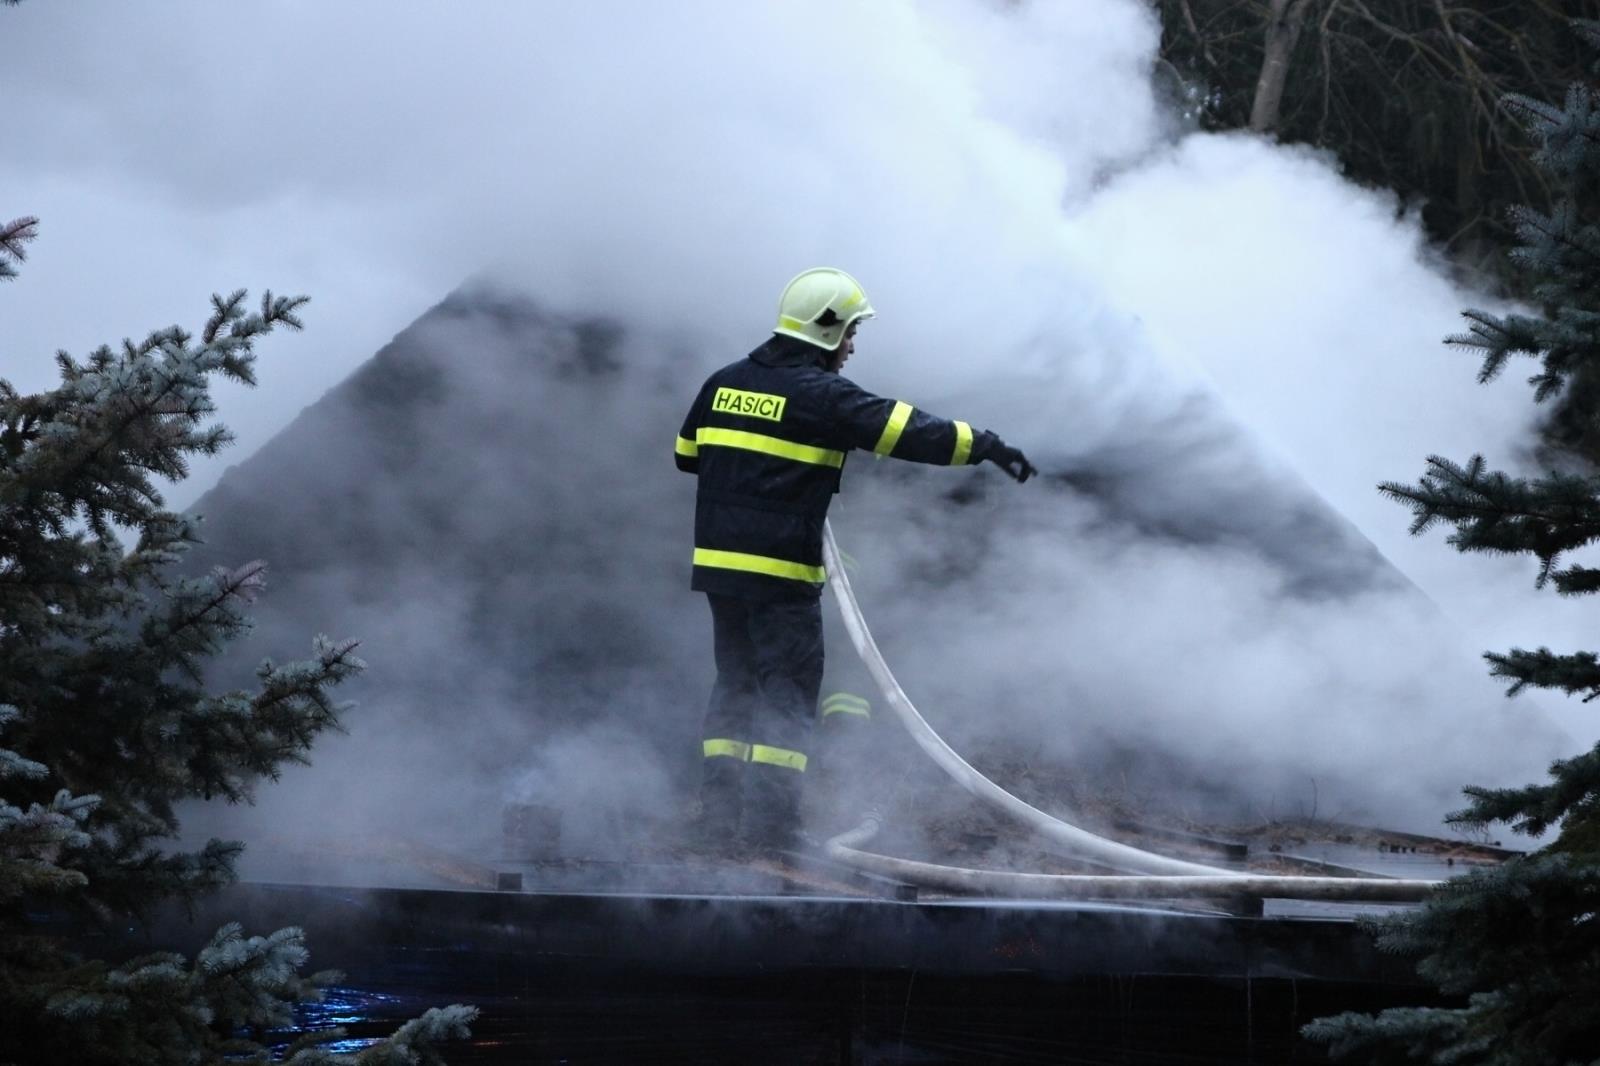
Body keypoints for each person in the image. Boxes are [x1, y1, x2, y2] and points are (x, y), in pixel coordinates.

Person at [673, 267, 1036, 855]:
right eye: (849, 333)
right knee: (786, 695)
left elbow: (687, 454)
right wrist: (986, 446)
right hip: (781, 573)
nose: (851, 346)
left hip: (720, 571)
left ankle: (719, 822)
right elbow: (911, 432)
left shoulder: (721, 384)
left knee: (735, 687)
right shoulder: (824, 397)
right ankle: (772, 833)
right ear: (825, 329)